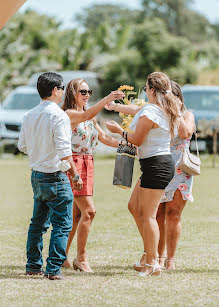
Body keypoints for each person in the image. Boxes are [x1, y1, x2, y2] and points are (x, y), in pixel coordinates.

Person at [106, 72, 180, 276]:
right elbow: (138, 109)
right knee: (133, 207)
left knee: (148, 216)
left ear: (152, 90)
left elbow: (136, 140)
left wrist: (117, 130)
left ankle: (152, 262)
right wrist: (116, 107)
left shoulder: (152, 112)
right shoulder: (161, 109)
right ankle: (150, 254)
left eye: (146, 88)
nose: (145, 91)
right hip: (155, 165)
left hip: (157, 166)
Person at [18, 72, 83, 280]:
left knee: (37, 224)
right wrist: (75, 175)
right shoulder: (59, 115)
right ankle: (53, 269)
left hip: (36, 175)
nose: (63, 92)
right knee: (62, 224)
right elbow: (65, 151)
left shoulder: (29, 115)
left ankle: (33, 265)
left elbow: (22, 146)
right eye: (62, 88)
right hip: (56, 175)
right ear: (55, 90)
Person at [61, 78, 124, 272]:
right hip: (73, 164)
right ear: (73, 94)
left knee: (77, 214)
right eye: (83, 92)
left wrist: (128, 143)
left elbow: (103, 137)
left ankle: (62, 255)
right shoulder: (69, 114)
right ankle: (81, 258)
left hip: (88, 162)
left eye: (89, 91)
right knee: (90, 211)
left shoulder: (90, 117)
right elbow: (88, 113)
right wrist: (107, 99)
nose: (87, 95)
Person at [156, 81, 195, 270]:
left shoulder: (187, 115)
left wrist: (177, 112)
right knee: (157, 215)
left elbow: (185, 132)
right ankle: (157, 256)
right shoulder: (158, 115)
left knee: (173, 214)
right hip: (159, 167)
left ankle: (170, 259)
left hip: (180, 170)